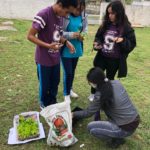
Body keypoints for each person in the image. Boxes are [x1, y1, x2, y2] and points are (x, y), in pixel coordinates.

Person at [27, 0, 78, 108]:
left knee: (55, 82)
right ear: (60, 5)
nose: (67, 15)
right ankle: (44, 104)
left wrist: (66, 42)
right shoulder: (44, 14)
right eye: (67, 12)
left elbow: (57, 35)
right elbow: (30, 36)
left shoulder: (59, 17)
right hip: (44, 59)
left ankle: (52, 102)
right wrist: (48, 46)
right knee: (45, 85)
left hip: (55, 58)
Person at [72, 67, 140, 148]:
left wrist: (73, 114)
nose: (90, 84)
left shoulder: (100, 94)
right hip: (135, 119)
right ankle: (116, 129)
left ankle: (118, 139)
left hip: (125, 127)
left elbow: (88, 112)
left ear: (94, 82)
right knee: (99, 124)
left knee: (91, 128)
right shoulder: (116, 83)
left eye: (89, 82)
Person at [88, 0, 136, 102]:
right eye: (108, 13)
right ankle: (93, 94)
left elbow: (132, 44)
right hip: (102, 57)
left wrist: (122, 40)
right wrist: (97, 44)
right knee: (96, 75)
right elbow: (98, 37)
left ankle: (106, 97)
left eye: (112, 13)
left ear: (119, 13)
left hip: (114, 60)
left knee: (109, 79)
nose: (110, 16)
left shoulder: (126, 27)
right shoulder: (105, 25)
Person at [61, 0, 88, 102]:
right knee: (68, 72)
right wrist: (71, 35)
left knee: (72, 71)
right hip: (65, 47)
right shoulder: (65, 15)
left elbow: (85, 30)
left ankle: (70, 88)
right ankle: (66, 93)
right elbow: (60, 32)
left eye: (81, 10)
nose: (79, 12)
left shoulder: (84, 15)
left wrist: (82, 36)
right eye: (77, 9)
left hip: (76, 47)